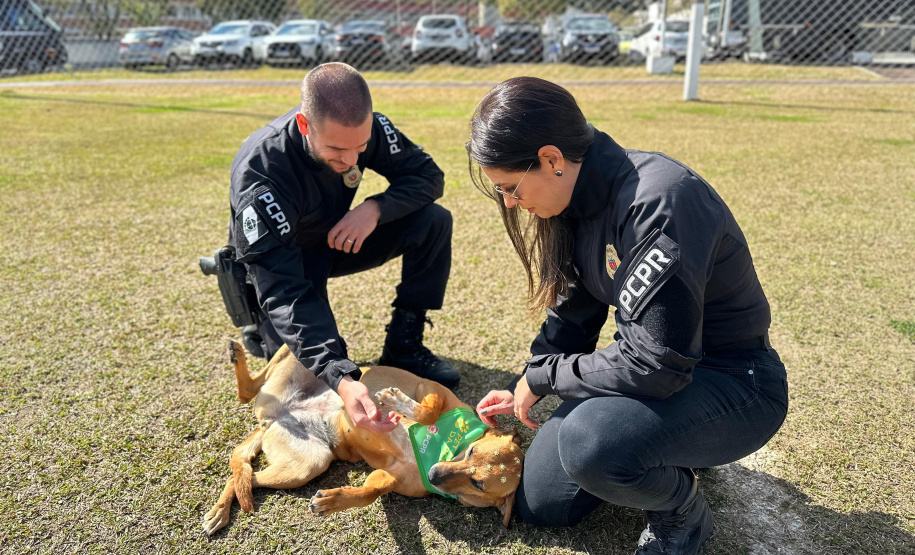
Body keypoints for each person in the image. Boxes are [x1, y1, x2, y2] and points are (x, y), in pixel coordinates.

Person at [468, 77, 788, 555]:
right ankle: (666, 449)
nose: (511, 202)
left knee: (589, 445)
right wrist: (524, 381)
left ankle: (681, 512)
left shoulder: (660, 201)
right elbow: (572, 318)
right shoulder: (575, 198)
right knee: (543, 503)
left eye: (511, 187)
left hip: (733, 382)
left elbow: (657, 364)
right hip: (658, 374)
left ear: (552, 160)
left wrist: (547, 376)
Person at [228, 62, 460, 434]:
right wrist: (341, 375)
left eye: (361, 148)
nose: (352, 160)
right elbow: (285, 289)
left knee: (433, 220)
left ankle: (405, 344)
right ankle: (261, 328)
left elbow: (428, 177)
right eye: (336, 149)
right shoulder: (262, 173)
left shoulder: (365, 128)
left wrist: (374, 208)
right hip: (283, 263)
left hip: (333, 240)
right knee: (302, 381)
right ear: (305, 126)